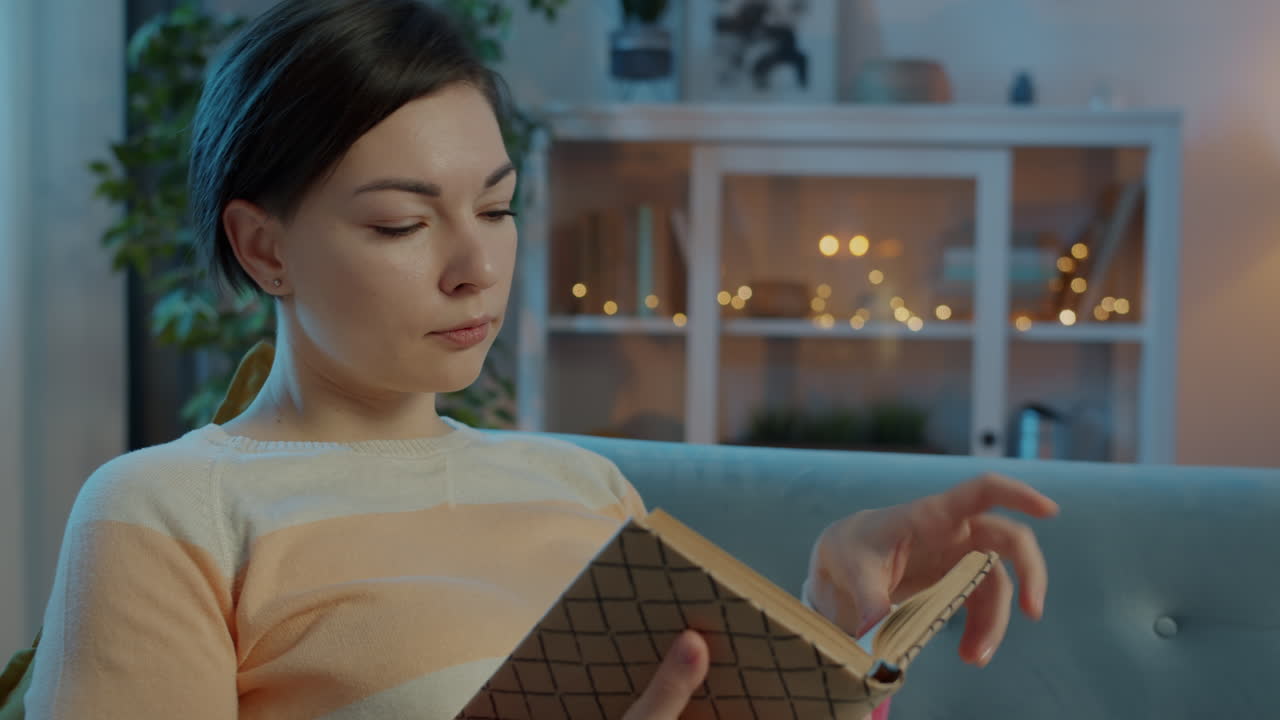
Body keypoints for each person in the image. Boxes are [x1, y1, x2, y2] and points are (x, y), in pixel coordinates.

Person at [23, 1, 1059, 717]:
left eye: (497, 207)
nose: (477, 265)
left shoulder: (580, 484)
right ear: (263, 247)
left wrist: (836, 614)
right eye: (398, 224)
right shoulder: (169, 514)